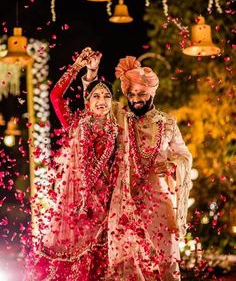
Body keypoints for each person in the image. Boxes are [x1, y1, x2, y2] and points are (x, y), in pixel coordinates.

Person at [81, 50, 193, 281]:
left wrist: (173, 165)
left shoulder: (168, 122)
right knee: (126, 263)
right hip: (125, 201)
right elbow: (95, 104)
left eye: (141, 93)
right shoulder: (119, 116)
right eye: (131, 93)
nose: (135, 99)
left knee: (164, 261)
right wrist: (91, 73)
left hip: (160, 202)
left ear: (152, 92)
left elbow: (184, 155)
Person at [24, 48, 119, 280]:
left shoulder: (118, 129)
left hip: (106, 206)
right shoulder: (76, 124)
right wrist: (77, 67)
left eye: (107, 96)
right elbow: (56, 96)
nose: (102, 101)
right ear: (87, 101)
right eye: (96, 96)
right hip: (77, 207)